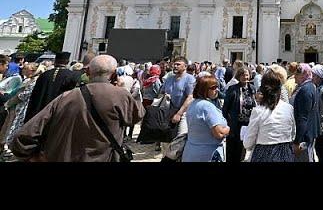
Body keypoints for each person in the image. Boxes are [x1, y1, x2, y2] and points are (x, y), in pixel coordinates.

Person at [10, 55, 145, 162]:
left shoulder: (66, 97)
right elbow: (137, 116)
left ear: (87, 71)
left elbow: (24, 136)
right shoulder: (121, 96)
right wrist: (124, 90)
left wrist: (34, 157)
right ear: (115, 73)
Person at [244, 70, 296, 162]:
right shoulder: (289, 108)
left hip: (264, 154)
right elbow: (293, 134)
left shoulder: (258, 111)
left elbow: (248, 143)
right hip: (286, 154)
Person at [23, 52, 80, 124]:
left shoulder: (45, 74)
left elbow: (34, 96)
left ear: (55, 61)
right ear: (67, 62)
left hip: (40, 112)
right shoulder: (72, 76)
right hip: (57, 113)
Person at [182, 75, 229, 162]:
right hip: (208, 154)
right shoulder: (207, 106)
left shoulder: (193, 104)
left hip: (191, 153)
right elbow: (219, 133)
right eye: (214, 87)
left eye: (217, 87)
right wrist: (228, 129)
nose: (217, 90)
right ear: (204, 89)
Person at [158, 56, 196, 159]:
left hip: (183, 114)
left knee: (180, 140)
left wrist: (179, 113)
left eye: (178, 64)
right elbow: (161, 93)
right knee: (165, 142)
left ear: (185, 66)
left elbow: (190, 97)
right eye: (174, 64)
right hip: (168, 112)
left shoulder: (189, 79)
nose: (175, 66)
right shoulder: (169, 78)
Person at [222, 66, 256, 163]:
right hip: (235, 125)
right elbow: (225, 108)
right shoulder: (233, 89)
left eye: (246, 75)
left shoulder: (252, 88)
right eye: (242, 75)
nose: (244, 77)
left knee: (244, 148)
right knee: (233, 149)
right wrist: (226, 122)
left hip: (248, 124)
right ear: (238, 76)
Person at [290, 63, 320, 162]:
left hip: (304, 136)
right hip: (309, 133)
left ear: (304, 75)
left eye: (297, 74)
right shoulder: (310, 86)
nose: (294, 76)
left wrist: (297, 141)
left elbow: (303, 117)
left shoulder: (305, 90)